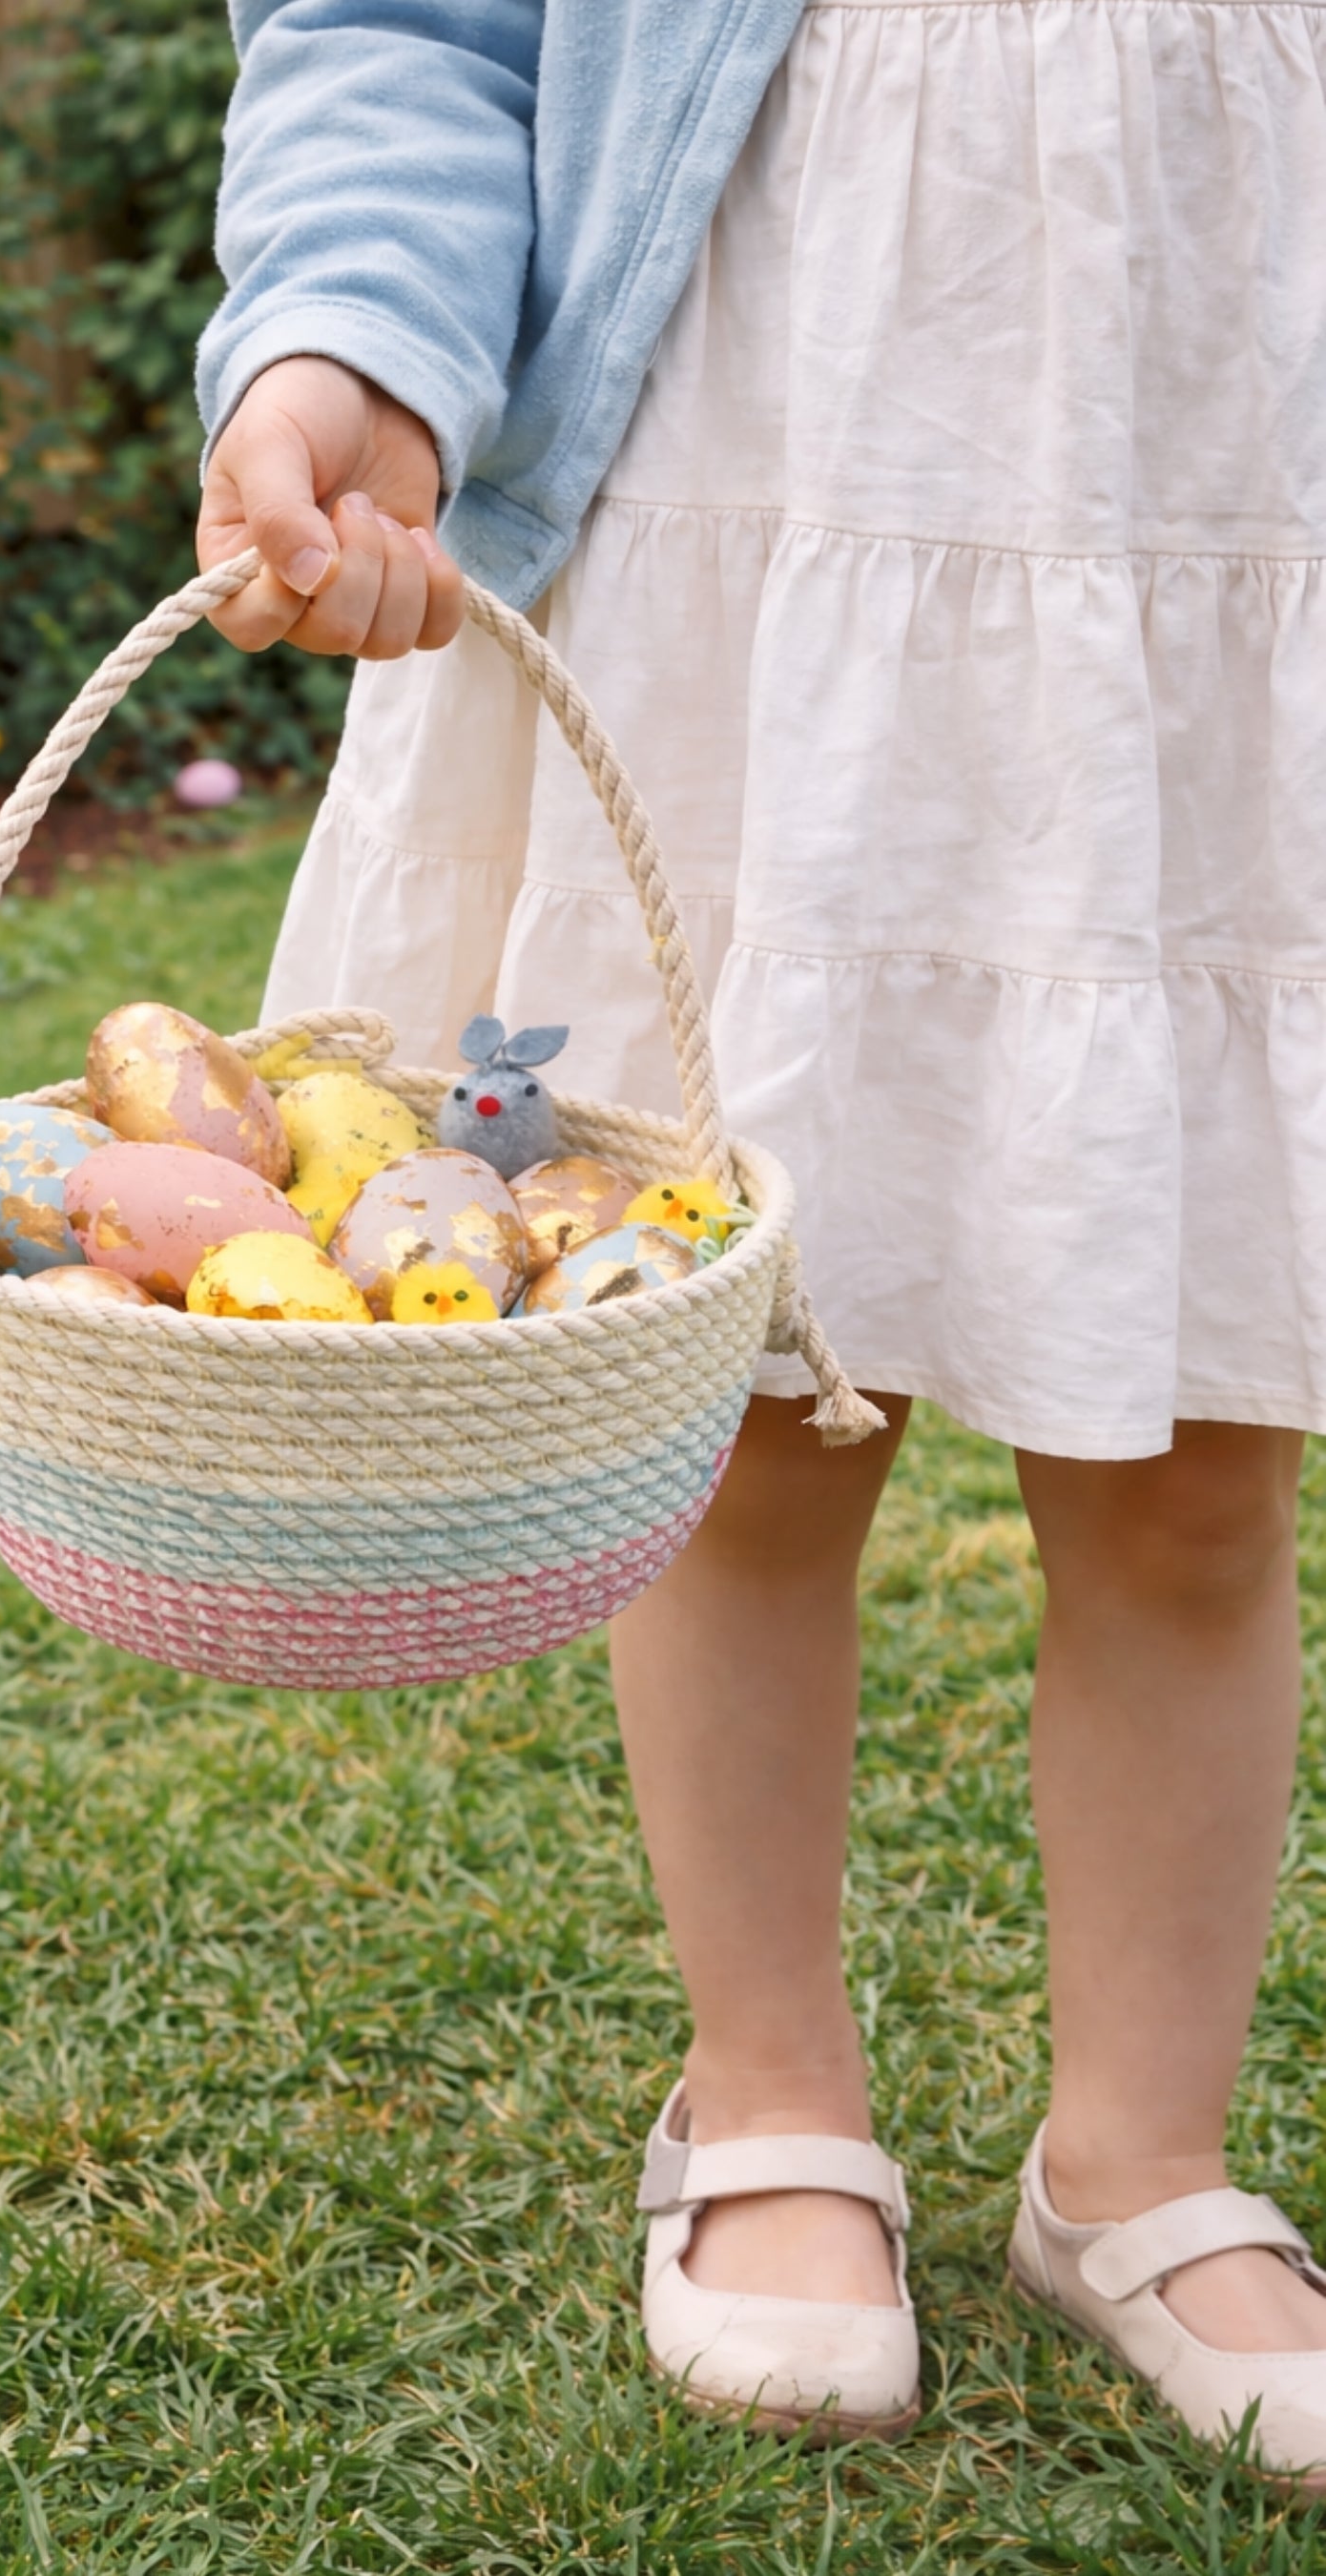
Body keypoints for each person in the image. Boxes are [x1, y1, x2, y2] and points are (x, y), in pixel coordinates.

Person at [192, 0, 1326, 2478]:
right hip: (767, 462)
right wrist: (350, 338)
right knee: (740, 1392)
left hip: (1224, 463)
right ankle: (764, 2083)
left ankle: (1137, 2152)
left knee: (1208, 1442)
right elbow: (406, 24)